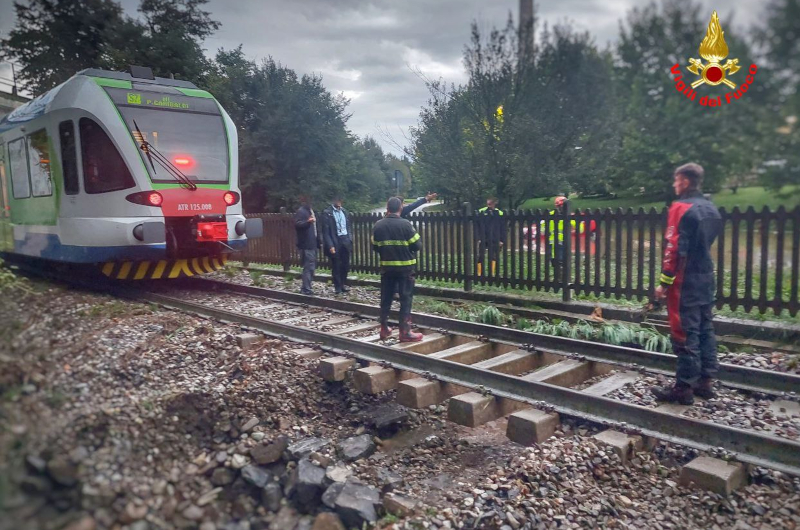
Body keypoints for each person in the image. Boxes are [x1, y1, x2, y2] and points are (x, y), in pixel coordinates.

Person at [652, 163, 722, 405]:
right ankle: (705, 381)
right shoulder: (710, 208)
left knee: (684, 331)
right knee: (705, 327)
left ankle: (683, 388)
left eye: (676, 180)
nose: (674, 185)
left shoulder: (680, 208)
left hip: (685, 281)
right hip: (706, 276)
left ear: (684, 181)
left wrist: (664, 283)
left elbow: (673, 248)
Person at [372, 197, 423, 342]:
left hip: (387, 268)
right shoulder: (406, 224)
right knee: (405, 299)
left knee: (386, 298)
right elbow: (417, 245)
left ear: (387, 208)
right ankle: (405, 332)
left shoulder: (378, 225)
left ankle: (384, 328)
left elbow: (375, 246)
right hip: (405, 269)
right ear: (400, 208)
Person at [320, 196, 353, 294]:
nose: (339, 202)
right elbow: (326, 232)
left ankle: (343, 284)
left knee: (345, 265)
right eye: (337, 200)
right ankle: (337, 287)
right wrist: (330, 245)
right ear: (333, 201)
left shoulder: (345, 212)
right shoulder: (327, 213)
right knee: (336, 265)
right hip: (335, 240)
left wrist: (350, 239)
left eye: (340, 200)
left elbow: (348, 227)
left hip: (345, 239)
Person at [294, 197, 318, 295]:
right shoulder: (301, 211)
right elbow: (297, 224)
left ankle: (306, 287)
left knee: (311, 267)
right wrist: (308, 222)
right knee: (308, 267)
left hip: (312, 243)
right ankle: (306, 289)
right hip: (306, 244)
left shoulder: (310, 211)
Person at [476, 198, 505, 277]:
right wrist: (478, 238)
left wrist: (501, 240)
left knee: (493, 256)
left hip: (495, 237)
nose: (490, 204)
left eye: (492, 202)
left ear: (495, 203)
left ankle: (491, 273)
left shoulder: (500, 213)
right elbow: (477, 226)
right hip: (483, 237)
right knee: (480, 255)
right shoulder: (481, 211)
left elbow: (503, 228)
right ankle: (479, 273)